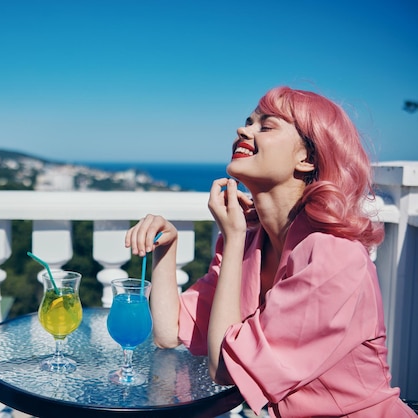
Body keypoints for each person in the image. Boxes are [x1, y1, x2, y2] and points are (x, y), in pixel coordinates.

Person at [125, 86, 417, 417]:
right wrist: (168, 249)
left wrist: (233, 238)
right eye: (248, 122)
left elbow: (223, 369)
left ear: (306, 159)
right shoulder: (251, 242)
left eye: (266, 126)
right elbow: (168, 333)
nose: (242, 130)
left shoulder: (335, 258)